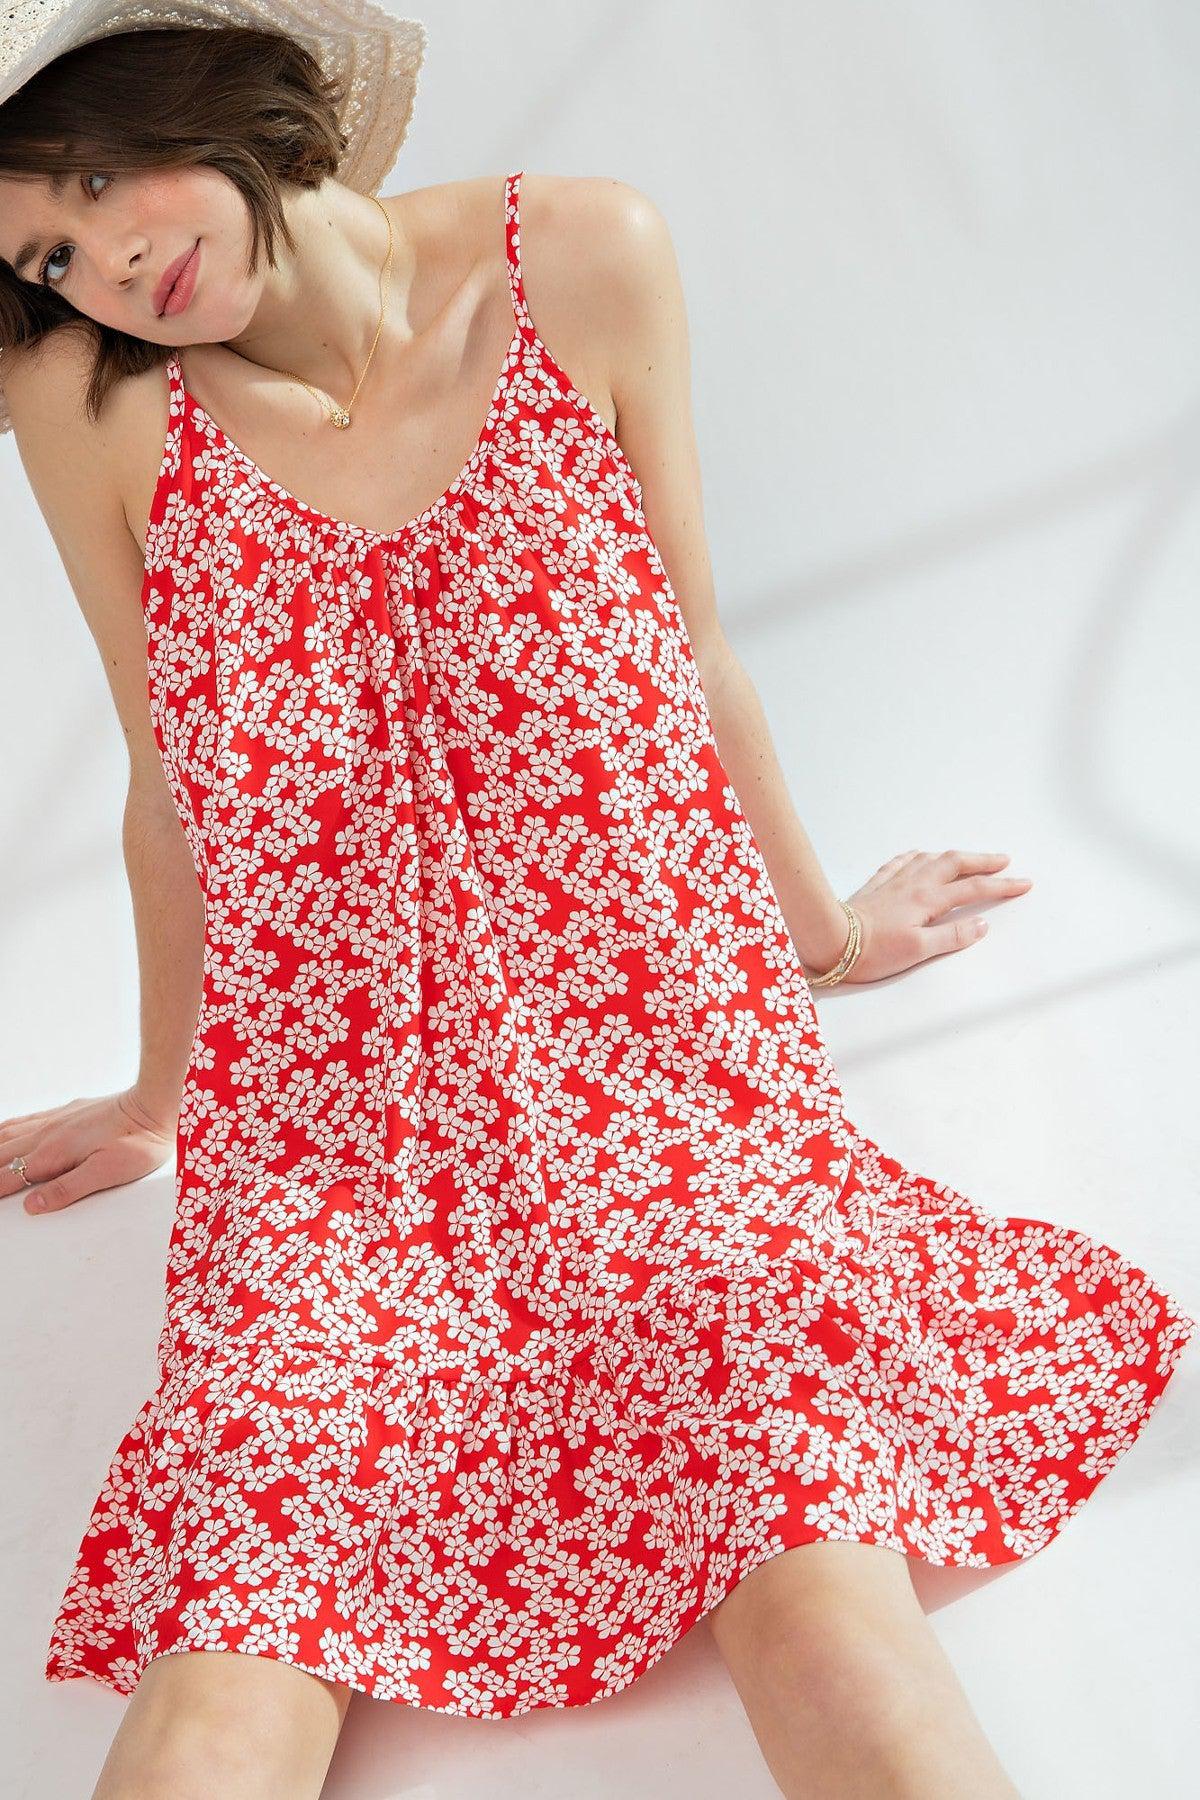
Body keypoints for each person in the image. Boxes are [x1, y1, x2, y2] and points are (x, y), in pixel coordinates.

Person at [1, 9, 1194, 1799]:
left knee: (807, 1569)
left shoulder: (582, 250)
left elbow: (695, 649)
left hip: (666, 1062)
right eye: (45, 251)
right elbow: (167, 782)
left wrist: (825, 935)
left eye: (99, 179)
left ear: (215, 94)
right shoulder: (88, 402)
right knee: (237, 1634)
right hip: (340, 1128)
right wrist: (166, 1101)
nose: (107, 261)